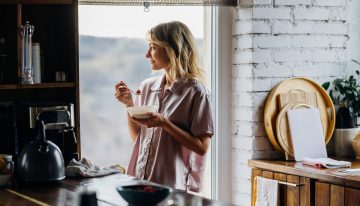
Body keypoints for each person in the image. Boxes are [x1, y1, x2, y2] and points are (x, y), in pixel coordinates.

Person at [114, 21, 214, 192]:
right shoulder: (146, 87)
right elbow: (139, 137)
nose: (147, 54)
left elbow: (202, 147)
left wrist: (164, 123)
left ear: (172, 49)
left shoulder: (196, 93)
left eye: (153, 47)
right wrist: (129, 104)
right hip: (141, 182)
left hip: (174, 186)